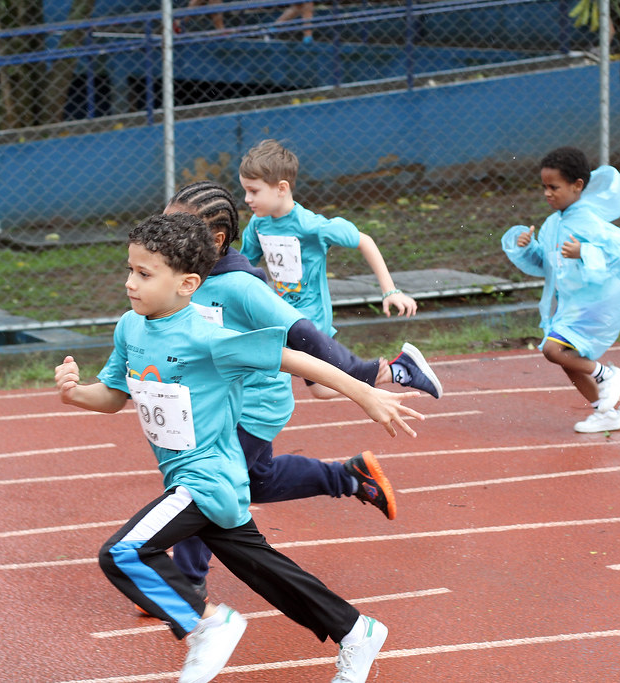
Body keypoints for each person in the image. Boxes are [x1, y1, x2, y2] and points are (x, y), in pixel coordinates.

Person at [55, 212, 423, 683]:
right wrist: (74, 392)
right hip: (193, 479)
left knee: (123, 553)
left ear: (188, 283)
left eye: (144, 274)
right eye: (129, 269)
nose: (131, 282)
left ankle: (207, 623)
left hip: (209, 477)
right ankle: (355, 629)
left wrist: (366, 392)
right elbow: (112, 396)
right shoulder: (131, 327)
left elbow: (293, 356)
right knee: (265, 570)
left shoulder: (208, 338)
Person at [163, 181, 419, 600]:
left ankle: (184, 583)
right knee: (257, 481)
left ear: (214, 239)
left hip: (255, 404)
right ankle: (351, 477)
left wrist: (360, 381)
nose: (165, 236)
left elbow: (303, 333)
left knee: (203, 484)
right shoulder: (187, 280)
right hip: (220, 404)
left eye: (177, 229)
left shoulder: (242, 287)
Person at [238, 139, 443, 400]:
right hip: (283, 313)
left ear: (281, 188)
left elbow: (364, 240)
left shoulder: (312, 226)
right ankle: (398, 371)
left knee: (263, 364)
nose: (246, 199)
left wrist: (390, 291)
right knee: (323, 389)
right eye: (245, 190)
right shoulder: (258, 225)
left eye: (253, 191)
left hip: (308, 321)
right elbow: (243, 267)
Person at [501, 147, 620, 433]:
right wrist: (527, 247)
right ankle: (607, 413)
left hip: (593, 305)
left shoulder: (587, 221)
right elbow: (547, 264)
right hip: (570, 306)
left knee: (554, 350)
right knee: (569, 361)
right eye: (544, 187)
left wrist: (585, 251)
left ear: (577, 186)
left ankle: (607, 374)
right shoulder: (553, 224)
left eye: (554, 187)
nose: (547, 193)